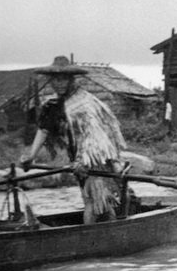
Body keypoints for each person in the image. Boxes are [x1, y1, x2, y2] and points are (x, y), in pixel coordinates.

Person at [21, 55, 128, 224]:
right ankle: (105, 232)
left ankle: (94, 236)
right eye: (56, 80)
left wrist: (84, 160)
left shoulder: (85, 102)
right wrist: (31, 155)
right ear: (50, 81)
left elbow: (95, 135)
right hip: (78, 161)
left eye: (63, 80)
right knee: (97, 201)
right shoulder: (53, 105)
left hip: (95, 160)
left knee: (95, 201)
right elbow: (44, 130)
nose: (59, 84)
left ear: (71, 80)